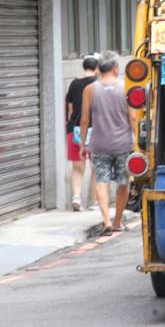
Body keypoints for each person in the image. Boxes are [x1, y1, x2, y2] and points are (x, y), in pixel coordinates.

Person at [80, 51, 137, 235]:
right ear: (115, 68)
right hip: (122, 145)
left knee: (101, 182)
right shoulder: (126, 88)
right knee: (122, 182)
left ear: (98, 69)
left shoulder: (90, 90)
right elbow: (134, 117)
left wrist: (83, 143)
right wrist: (136, 140)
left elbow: (84, 119)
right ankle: (118, 221)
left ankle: (106, 221)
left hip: (100, 144)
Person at [65, 55, 99, 211]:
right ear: (97, 68)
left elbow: (70, 110)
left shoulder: (74, 84)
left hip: (75, 130)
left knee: (77, 168)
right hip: (95, 130)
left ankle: (76, 198)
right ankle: (94, 202)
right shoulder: (98, 84)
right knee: (96, 168)